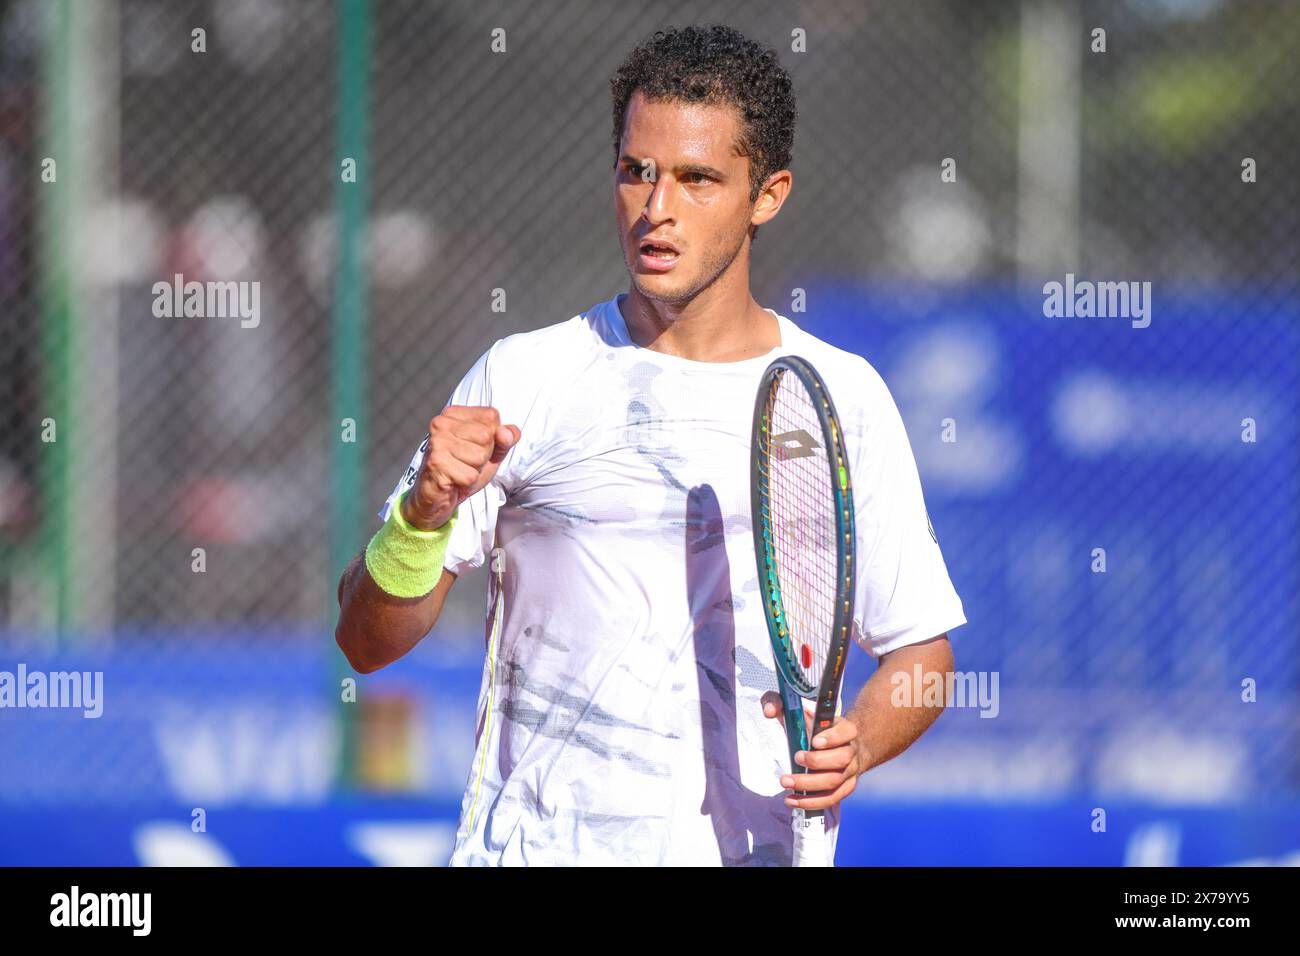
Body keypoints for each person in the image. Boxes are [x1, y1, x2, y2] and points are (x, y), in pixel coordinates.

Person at [336, 23, 965, 866]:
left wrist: (861, 737)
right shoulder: (523, 376)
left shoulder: (842, 398)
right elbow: (364, 642)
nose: (657, 208)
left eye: (698, 179)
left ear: (768, 194)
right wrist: (420, 520)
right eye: (638, 172)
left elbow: (923, 653)